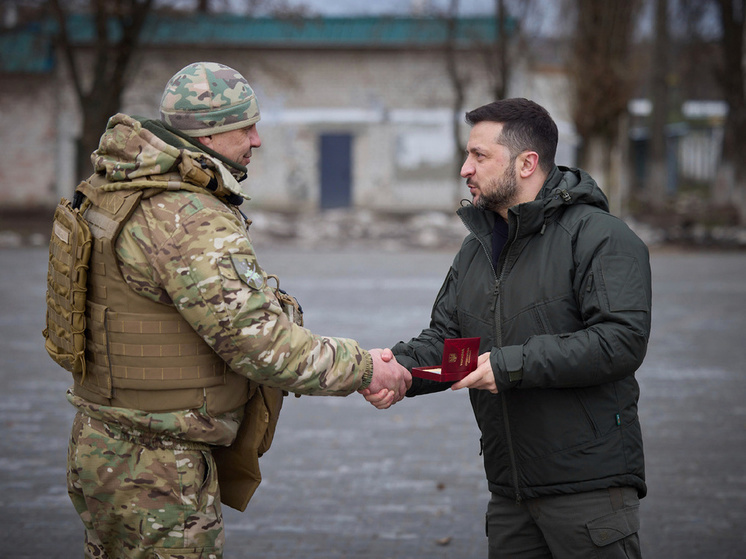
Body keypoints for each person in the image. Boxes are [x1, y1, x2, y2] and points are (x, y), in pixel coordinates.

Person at [47, 61, 410, 558]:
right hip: (157, 468)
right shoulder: (187, 218)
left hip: (103, 443)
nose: (257, 140)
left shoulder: (115, 191)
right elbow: (260, 345)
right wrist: (366, 368)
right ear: (210, 135)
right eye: (246, 127)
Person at [365, 98, 651, 558]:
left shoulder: (601, 237)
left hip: (589, 494)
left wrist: (509, 365)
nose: (465, 168)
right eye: (467, 154)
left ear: (526, 163)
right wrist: (393, 369)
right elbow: (453, 346)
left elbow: (619, 342)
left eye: (479, 155)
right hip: (510, 495)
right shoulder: (476, 250)